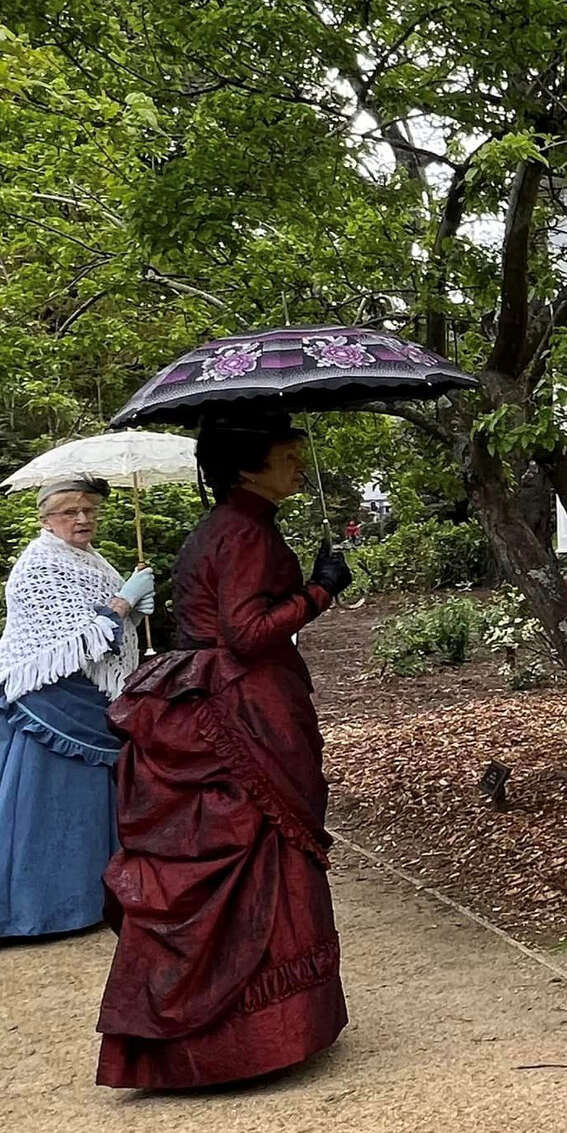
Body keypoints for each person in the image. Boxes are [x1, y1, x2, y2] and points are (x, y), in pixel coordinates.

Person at [96, 411, 352, 1091]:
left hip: (212, 701)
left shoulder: (225, 525)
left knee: (248, 851)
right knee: (260, 847)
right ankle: (249, 1038)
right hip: (239, 711)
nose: (299, 465)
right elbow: (247, 633)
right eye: (287, 454)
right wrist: (321, 589)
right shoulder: (245, 532)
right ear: (247, 466)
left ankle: (233, 1034)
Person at [0, 477, 155, 943]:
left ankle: (89, 899)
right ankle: (30, 912)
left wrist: (135, 608)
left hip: (86, 697)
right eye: (69, 512)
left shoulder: (91, 559)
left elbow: (105, 626)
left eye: (89, 510)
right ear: (45, 519)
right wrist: (125, 601)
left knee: (82, 805)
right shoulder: (39, 563)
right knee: (41, 806)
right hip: (43, 704)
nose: (82, 519)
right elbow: (76, 637)